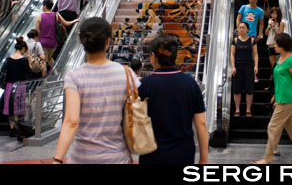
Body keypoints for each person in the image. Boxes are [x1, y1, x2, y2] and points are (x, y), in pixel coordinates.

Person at [52, 17, 141, 164]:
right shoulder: (126, 73)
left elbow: (71, 122)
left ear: (82, 42)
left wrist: (57, 159)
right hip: (117, 157)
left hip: (82, 157)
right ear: (108, 41)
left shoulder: (74, 77)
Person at [138, 35, 209, 164]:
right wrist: (204, 158)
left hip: (152, 154)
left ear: (153, 56)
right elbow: (201, 123)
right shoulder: (190, 83)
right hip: (183, 153)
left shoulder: (145, 85)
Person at [253, 33, 292, 164]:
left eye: (276, 43)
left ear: (282, 45)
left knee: (272, 127)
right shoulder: (280, 59)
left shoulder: (291, 60)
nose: (274, 45)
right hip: (281, 98)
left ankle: (267, 158)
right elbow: (280, 80)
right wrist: (275, 96)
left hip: (288, 99)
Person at [2, 37, 34, 138]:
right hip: (20, 86)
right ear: (23, 49)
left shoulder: (8, 59)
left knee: (10, 108)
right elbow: (30, 72)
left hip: (9, 86)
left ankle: (12, 128)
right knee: (17, 109)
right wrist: (29, 59)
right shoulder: (24, 60)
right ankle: (16, 129)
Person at [36, 0, 79, 70]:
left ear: (45, 6)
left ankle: (44, 79)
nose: (42, 7)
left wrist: (36, 44)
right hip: (53, 43)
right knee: (50, 58)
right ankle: (55, 73)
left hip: (43, 42)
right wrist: (74, 20)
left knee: (44, 62)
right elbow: (66, 23)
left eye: (43, 6)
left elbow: (37, 32)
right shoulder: (56, 15)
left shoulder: (39, 17)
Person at [231, 22, 258, 117]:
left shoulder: (252, 41)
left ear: (247, 29)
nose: (241, 29)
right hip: (237, 67)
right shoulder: (235, 40)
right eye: (239, 27)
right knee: (236, 89)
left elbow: (255, 54)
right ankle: (237, 110)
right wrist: (233, 66)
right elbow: (232, 54)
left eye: (243, 27)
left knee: (249, 89)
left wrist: (256, 66)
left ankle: (248, 110)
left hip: (249, 67)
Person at [265, 7, 285, 72]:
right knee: (272, 63)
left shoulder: (281, 23)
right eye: (272, 13)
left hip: (277, 44)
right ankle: (273, 76)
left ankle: (277, 76)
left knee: (277, 63)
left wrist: (274, 27)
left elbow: (280, 34)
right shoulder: (270, 22)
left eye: (275, 13)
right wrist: (269, 26)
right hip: (270, 43)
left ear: (278, 14)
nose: (273, 15)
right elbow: (266, 33)